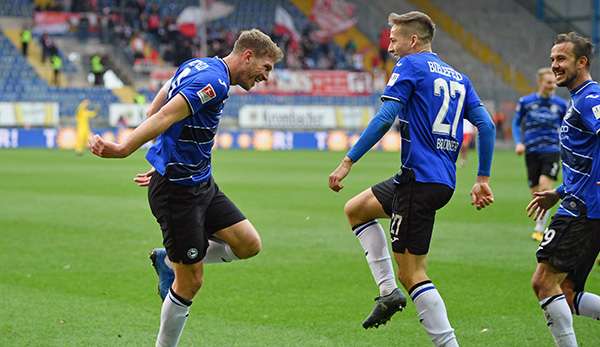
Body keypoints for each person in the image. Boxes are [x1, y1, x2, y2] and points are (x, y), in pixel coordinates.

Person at [89, 29, 283, 347]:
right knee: (190, 281)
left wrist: (161, 156)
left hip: (201, 183)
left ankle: (169, 260)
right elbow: (166, 114)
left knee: (248, 244)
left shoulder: (198, 65)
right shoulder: (215, 82)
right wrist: (124, 149)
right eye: (266, 67)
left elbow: (165, 94)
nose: (266, 76)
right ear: (248, 55)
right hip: (177, 193)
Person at [328, 11, 495, 346]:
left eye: (394, 39)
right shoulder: (460, 77)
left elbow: (385, 116)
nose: (390, 46)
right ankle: (387, 293)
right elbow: (487, 126)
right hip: (435, 180)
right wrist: (482, 177)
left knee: (413, 274)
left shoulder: (410, 65)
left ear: (413, 40)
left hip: (418, 182)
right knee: (356, 209)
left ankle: (448, 343)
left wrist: (348, 161)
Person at [527, 32, 600, 347]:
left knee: (544, 283)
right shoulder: (578, 99)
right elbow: (588, 160)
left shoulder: (590, 98)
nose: (554, 65)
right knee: (566, 293)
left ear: (581, 62)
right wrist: (557, 192)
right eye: (552, 59)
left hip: (583, 209)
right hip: (578, 201)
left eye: (562, 59)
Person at [512, 68, 567, 241]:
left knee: (545, 186)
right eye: (549, 82)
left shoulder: (561, 105)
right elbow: (516, 123)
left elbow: (567, 129)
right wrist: (519, 142)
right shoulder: (526, 102)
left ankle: (540, 228)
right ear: (540, 82)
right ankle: (541, 221)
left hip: (552, 150)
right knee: (535, 191)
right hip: (531, 151)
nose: (552, 86)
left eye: (554, 83)